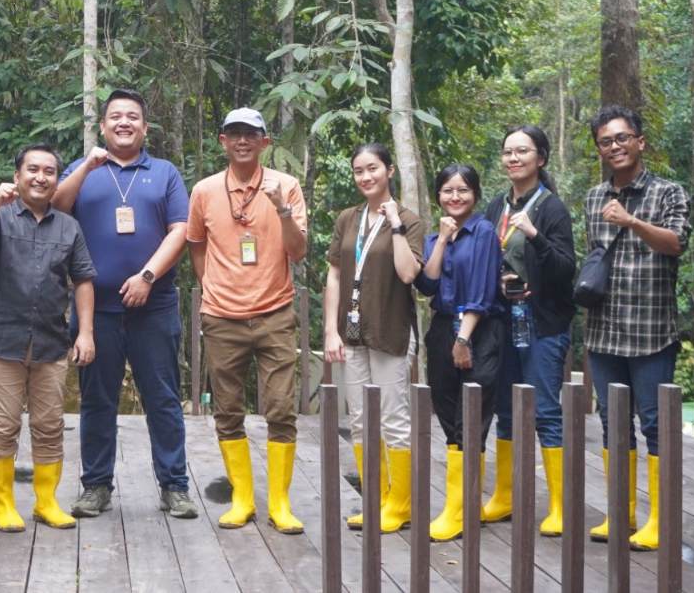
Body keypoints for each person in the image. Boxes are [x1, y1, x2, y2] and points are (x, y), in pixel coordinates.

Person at [51, 89, 196, 520]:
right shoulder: (85, 169)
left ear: (145, 127)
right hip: (96, 308)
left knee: (163, 397)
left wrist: (148, 276)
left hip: (155, 305)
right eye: (115, 116)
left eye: (132, 117)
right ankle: (95, 486)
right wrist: (86, 168)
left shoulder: (165, 172)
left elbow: (180, 230)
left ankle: (174, 486)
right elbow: (56, 208)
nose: (124, 123)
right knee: (97, 399)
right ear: (102, 125)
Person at [0, 144, 97, 533]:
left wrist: (85, 333)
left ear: (57, 179)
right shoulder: (0, 218)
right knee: (3, 426)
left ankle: (47, 501)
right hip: (2, 341)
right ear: (18, 175)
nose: (41, 177)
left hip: (51, 342)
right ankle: (3, 505)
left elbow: (84, 279)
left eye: (49, 171)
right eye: (33, 170)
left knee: (49, 425)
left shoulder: (68, 226)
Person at [187, 108, 308, 534]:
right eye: (234, 133)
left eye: (250, 134)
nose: (242, 140)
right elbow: (196, 244)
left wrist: (283, 211)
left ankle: (279, 502)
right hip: (222, 317)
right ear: (222, 140)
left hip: (275, 312)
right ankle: (241, 498)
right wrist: (211, 289)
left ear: (264, 142)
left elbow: (298, 252)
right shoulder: (204, 191)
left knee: (280, 409)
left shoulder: (286, 186)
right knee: (227, 410)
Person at [583, 105, 690, 551]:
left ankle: (660, 520)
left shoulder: (669, 192)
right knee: (612, 425)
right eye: (606, 141)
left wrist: (631, 222)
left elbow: (676, 243)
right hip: (603, 332)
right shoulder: (593, 197)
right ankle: (621, 513)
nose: (615, 147)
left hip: (650, 333)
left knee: (655, 424)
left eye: (622, 138)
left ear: (640, 142)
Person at [478, 126, 576, 536]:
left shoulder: (552, 209)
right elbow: (483, 255)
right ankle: (503, 496)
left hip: (542, 324)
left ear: (541, 158)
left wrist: (534, 235)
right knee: (505, 407)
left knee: (547, 412)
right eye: (508, 152)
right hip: (502, 323)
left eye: (523, 151)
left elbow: (564, 268)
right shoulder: (495, 206)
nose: (514, 158)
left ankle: (559, 505)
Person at [322, 143, 424, 533]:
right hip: (351, 333)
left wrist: (395, 222)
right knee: (361, 419)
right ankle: (377, 498)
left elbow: (408, 273)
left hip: (390, 330)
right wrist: (330, 330)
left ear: (390, 171)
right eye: (359, 171)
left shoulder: (410, 219)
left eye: (373, 169)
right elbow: (333, 273)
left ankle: (401, 503)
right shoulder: (348, 218)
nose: (366, 177)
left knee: (393, 418)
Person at [415, 164, 502, 542]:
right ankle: (461, 505)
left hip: (477, 331)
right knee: (448, 412)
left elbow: (482, 291)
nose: (455, 197)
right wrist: (445, 240)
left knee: (473, 416)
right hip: (441, 327)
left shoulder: (483, 231)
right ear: (438, 196)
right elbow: (427, 285)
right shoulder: (437, 237)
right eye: (448, 190)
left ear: (475, 194)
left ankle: (460, 509)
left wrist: (463, 340)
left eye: (463, 190)